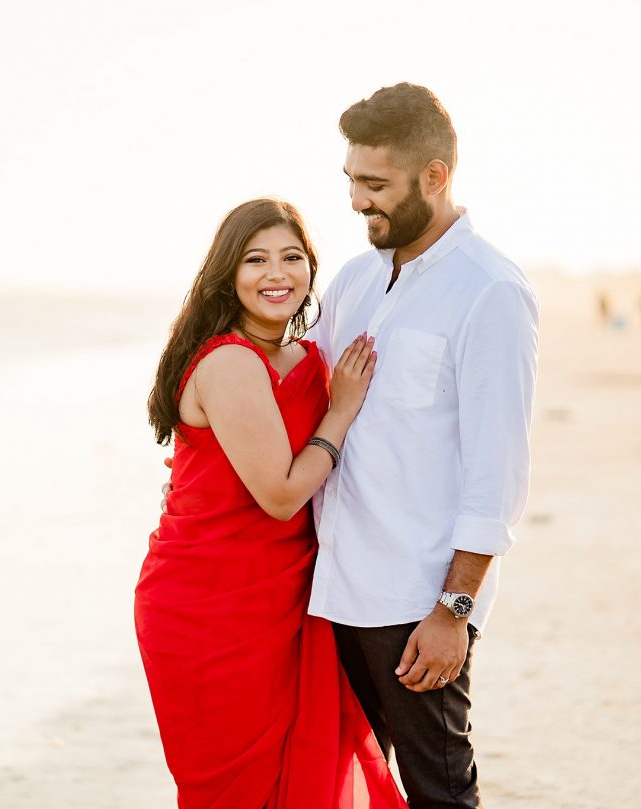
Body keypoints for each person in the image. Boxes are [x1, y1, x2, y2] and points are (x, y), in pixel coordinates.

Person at [308, 83, 540, 808]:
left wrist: (453, 610)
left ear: (435, 177)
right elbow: (295, 392)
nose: (356, 200)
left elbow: (497, 472)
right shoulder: (354, 279)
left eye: (374, 184)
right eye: (350, 181)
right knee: (354, 790)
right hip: (331, 591)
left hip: (417, 605)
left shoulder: (489, 291)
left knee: (440, 792)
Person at [135, 198, 407, 808]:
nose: (275, 273)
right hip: (208, 607)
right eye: (256, 259)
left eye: (292, 257)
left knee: (299, 772)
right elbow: (283, 495)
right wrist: (340, 413)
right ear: (228, 273)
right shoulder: (230, 360)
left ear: (312, 269)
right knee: (232, 788)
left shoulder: (309, 358)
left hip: (287, 598)